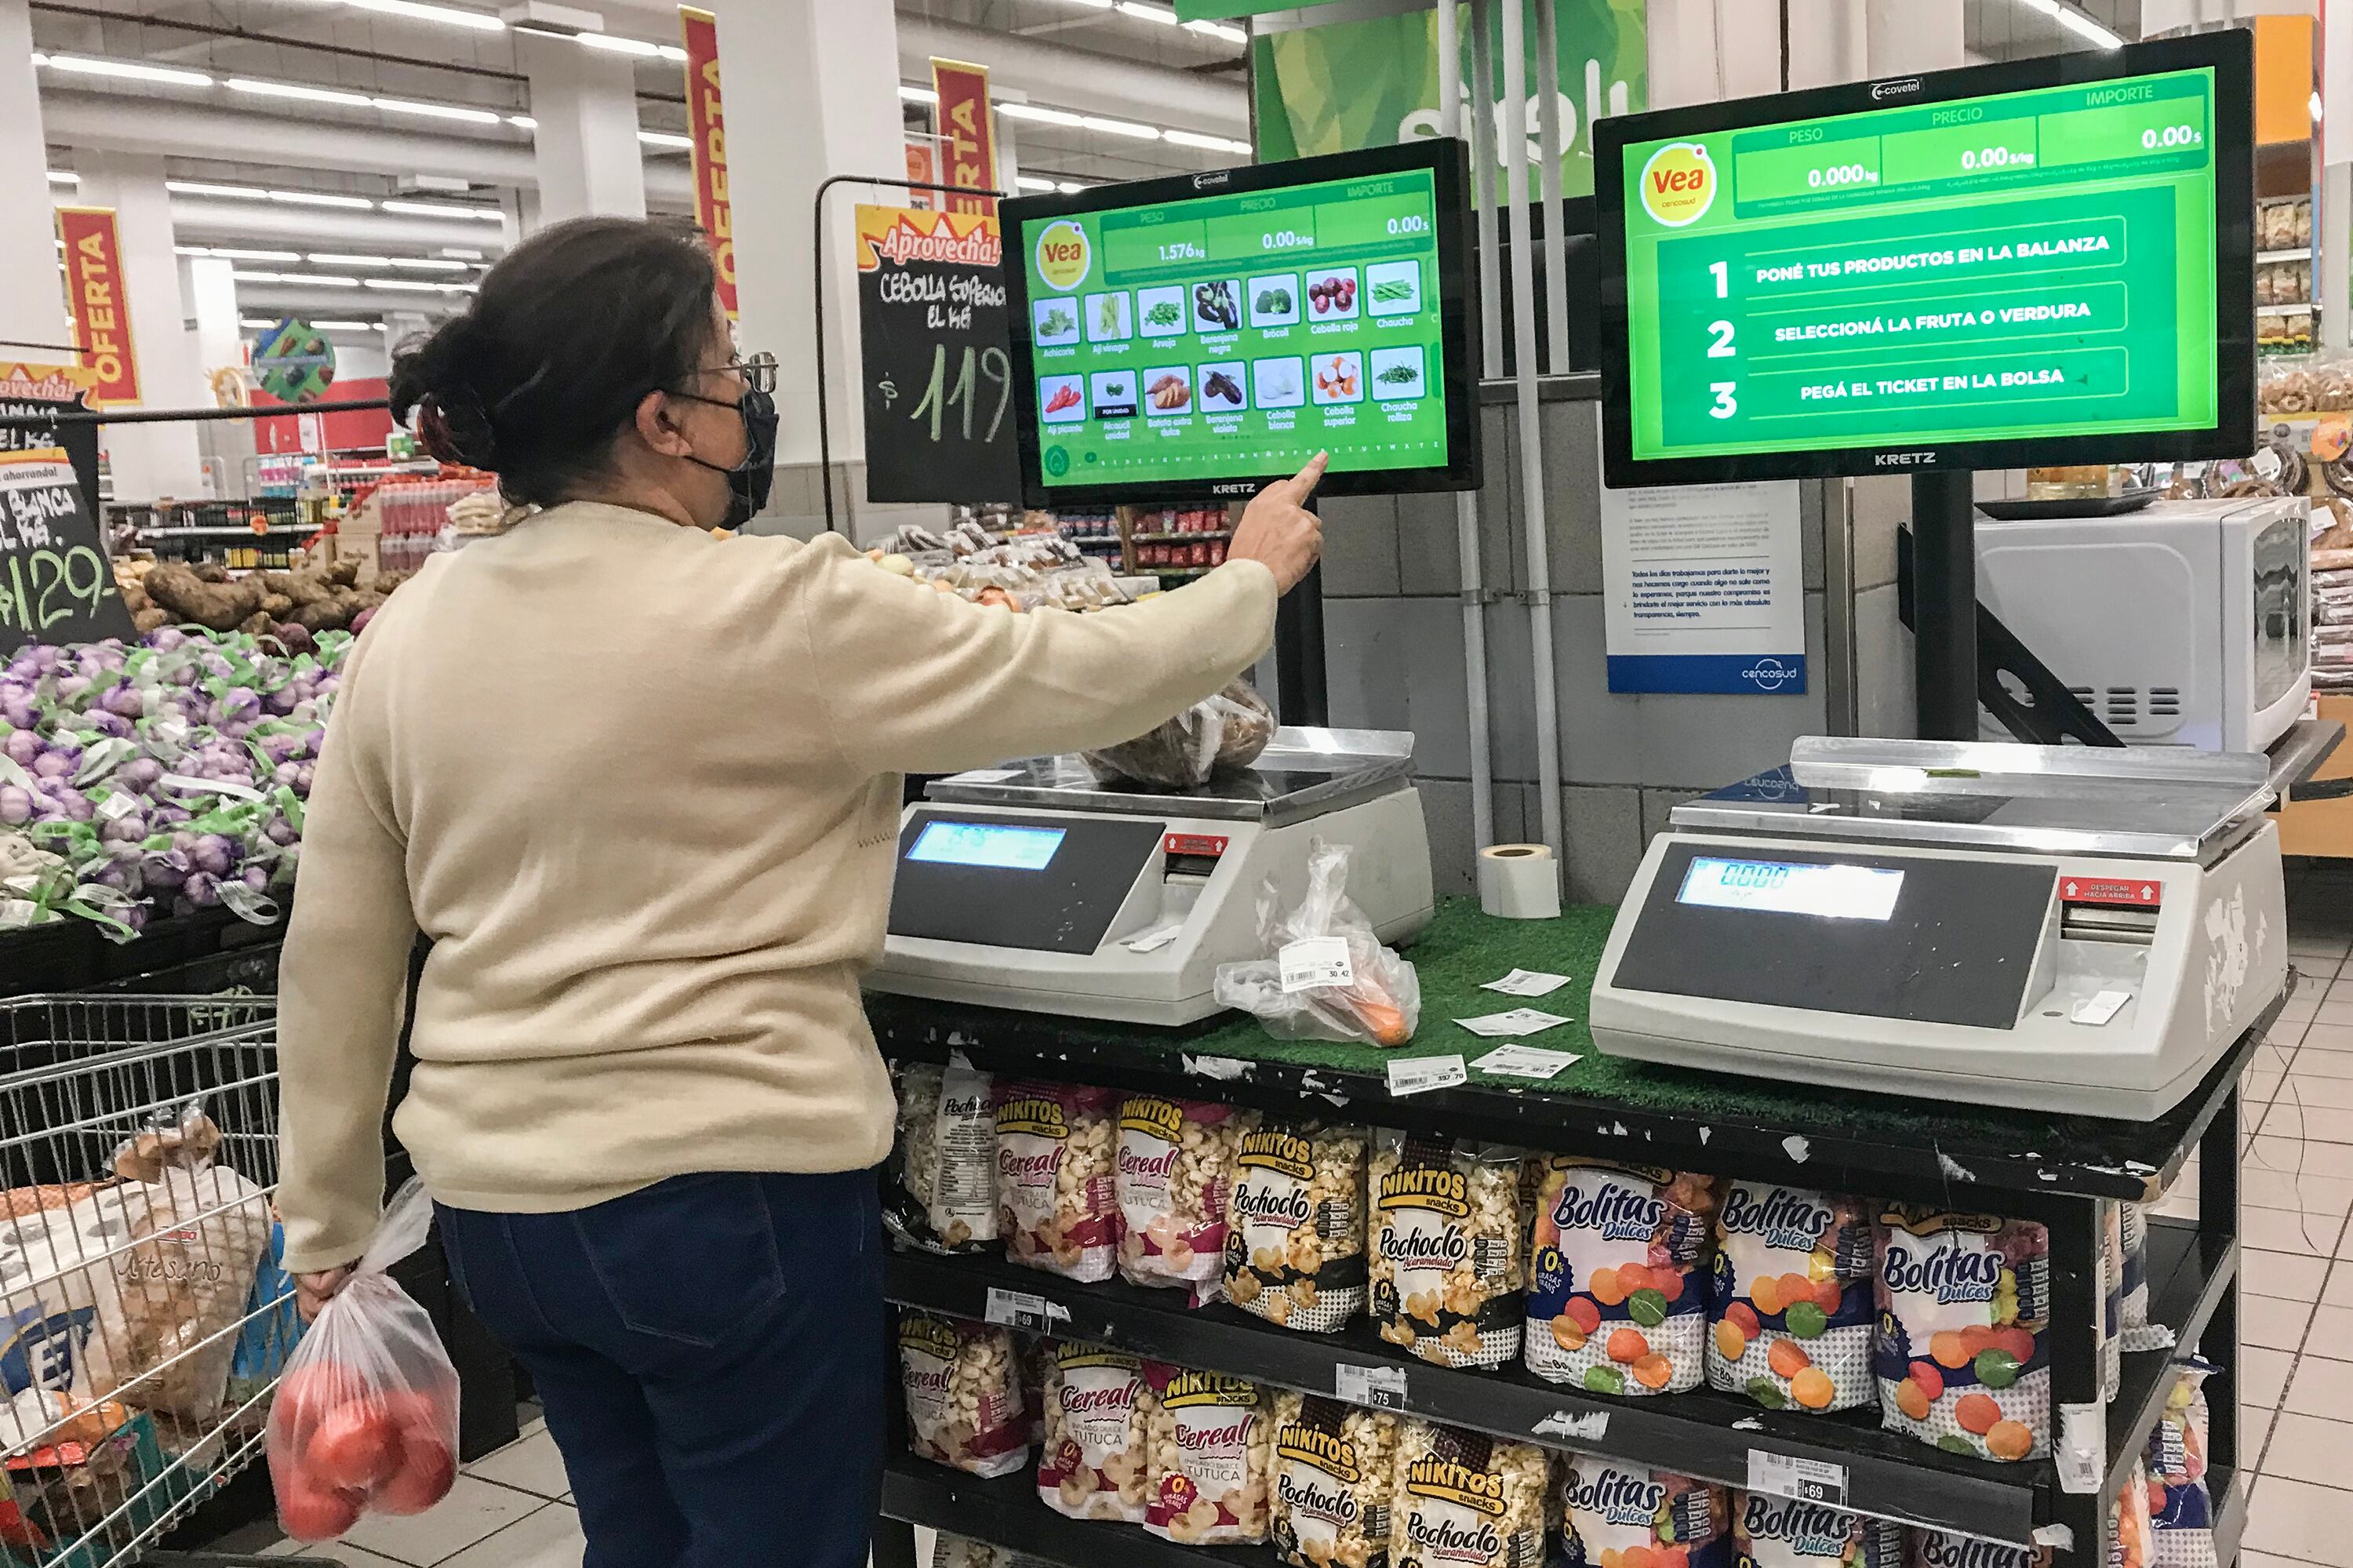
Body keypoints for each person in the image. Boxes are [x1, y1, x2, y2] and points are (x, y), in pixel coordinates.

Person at [274, 214, 1325, 1568]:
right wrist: (1249, 577)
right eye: (726, 373)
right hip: (724, 1204)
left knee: (635, 1538)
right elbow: (1086, 672)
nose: (744, 400)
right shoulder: (778, 607)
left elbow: (340, 946)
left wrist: (327, 1218)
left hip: (500, 1216)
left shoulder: (412, 626)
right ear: (660, 419)